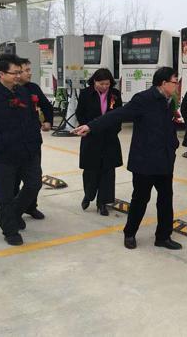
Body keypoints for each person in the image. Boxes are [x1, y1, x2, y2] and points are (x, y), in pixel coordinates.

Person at [73, 67, 181, 250]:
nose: (176, 85)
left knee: (165, 200)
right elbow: (117, 114)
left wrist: (173, 144)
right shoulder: (143, 99)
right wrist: (91, 126)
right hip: (144, 161)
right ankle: (129, 233)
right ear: (164, 83)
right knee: (140, 199)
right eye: (174, 82)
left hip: (164, 159)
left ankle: (163, 237)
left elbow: (168, 127)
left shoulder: (169, 101)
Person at [0, 54, 43, 246]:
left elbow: (32, 118)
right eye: (15, 73)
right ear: (1, 74)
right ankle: (10, 230)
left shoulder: (23, 93)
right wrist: (3, 141)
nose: (19, 76)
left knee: (34, 184)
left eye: (20, 72)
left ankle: (13, 214)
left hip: (28, 150)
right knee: (4, 194)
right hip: (4, 154)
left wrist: (34, 137)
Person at [75, 68, 123, 216]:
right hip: (91, 138)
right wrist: (87, 128)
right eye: (101, 84)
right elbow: (80, 113)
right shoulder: (85, 94)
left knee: (107, 171)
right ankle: (88, 195)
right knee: (91, 170)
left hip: (109, 138)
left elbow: (119, 114)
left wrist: (113, 130)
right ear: (94, 82)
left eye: (107, 84)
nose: (104, 86)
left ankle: (102, 202)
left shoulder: (115, 94)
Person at [13, 57, 54, 222]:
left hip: (33, 142)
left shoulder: (33, 88)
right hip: (13, 144)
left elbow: (46, 106)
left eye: (30, 70)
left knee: (34, 179)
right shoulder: (8, 91)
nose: (30, 73)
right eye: (26, 70)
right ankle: (14, 211)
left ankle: (30, 206)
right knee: (14, 180)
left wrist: (47, 121)